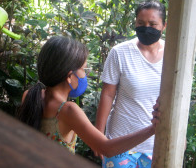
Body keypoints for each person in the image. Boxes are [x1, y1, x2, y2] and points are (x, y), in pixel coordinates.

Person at [16, 37, 160, 165]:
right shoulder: (67, 110)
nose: (86, 75)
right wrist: (152, 129)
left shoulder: (29, 95)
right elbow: (106, 148)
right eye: (84, 70)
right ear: (69, 77)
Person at [95, 0, 166, 167]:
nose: (146, 27)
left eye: (152, 23)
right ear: (135, 23)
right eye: (141, 23)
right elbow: (107, 94)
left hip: (157, 145)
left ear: (164, 25)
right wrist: (98, 136)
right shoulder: (120, 52)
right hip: (120, 145)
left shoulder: (173, 55)